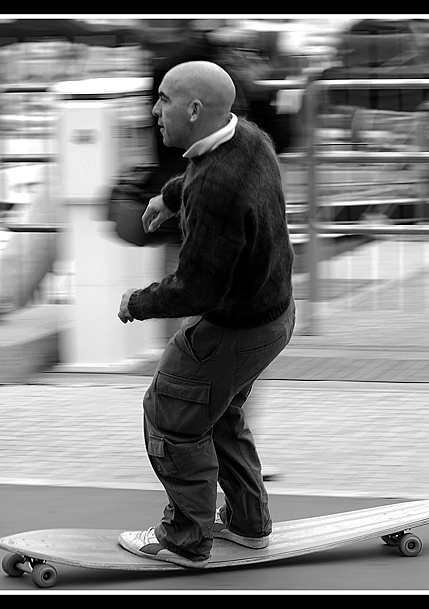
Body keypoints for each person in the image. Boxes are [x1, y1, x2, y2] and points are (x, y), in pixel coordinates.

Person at [116, 60, 295, 568]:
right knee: (220, 413)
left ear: (195, 109)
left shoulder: (217, 186)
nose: (154, 110)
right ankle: (247, 523)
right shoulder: (251, 140)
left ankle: (186, 537)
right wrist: (169, 197)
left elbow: (195, 288)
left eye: (164, 99)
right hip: (273, 315)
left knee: (170, 416)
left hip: (236, 326)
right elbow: (203, 170)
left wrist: (137, 302)